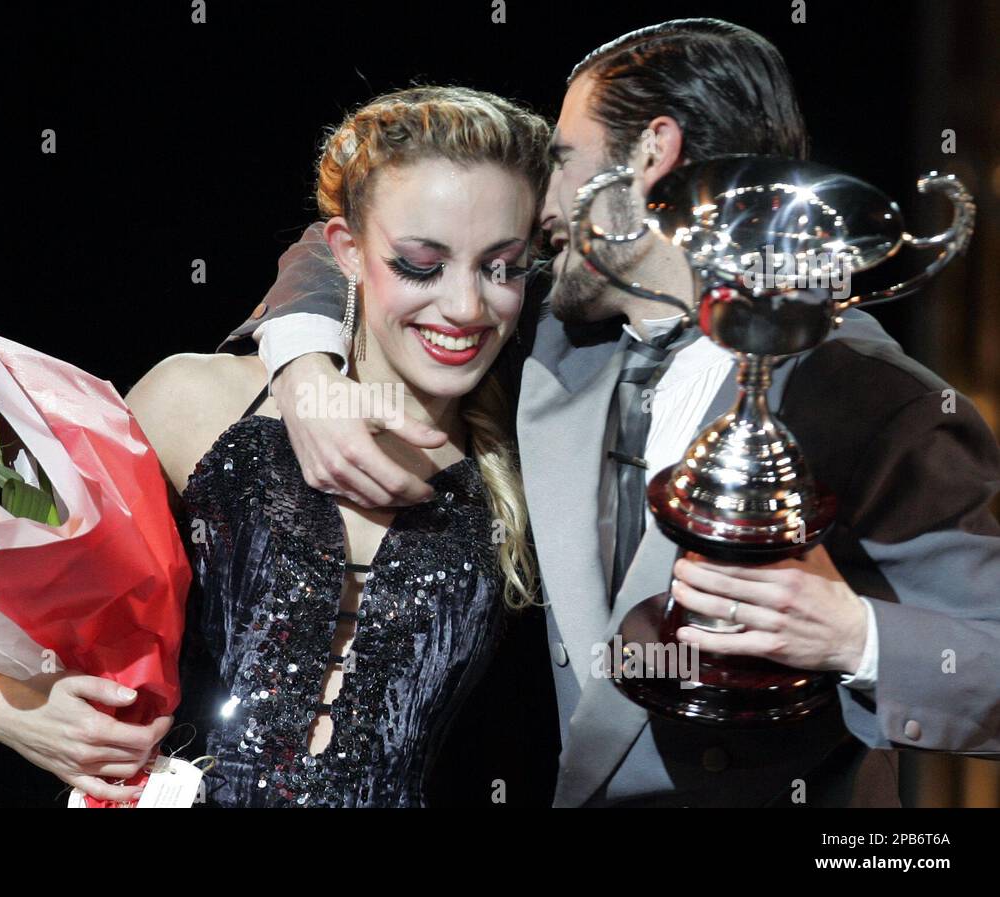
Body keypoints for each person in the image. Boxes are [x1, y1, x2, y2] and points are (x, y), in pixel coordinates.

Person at [227, 19, 1000, 807]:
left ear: (650, 154)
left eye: (562, 160)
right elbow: (352, 242)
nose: (542, 202)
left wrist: (853, 636)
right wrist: (305, 372)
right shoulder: (545, 323)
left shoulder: (876, 397)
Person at [0, 85, 551, 806]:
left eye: (502, 267)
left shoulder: (531, 463)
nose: (465, 306)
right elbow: (1, 600)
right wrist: (0, 703)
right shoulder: (193, 400)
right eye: (421, 263)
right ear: (346, 250)